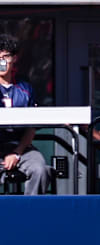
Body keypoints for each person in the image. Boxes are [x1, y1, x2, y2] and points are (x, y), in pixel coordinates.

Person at [0, 34, 51, 195]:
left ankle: (31, 215)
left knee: (40, 169)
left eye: (6, 56)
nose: (2, 61)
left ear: (14, 58)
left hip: (21, 147)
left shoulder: (25, 89)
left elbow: (31, 127)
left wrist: (16, 153)